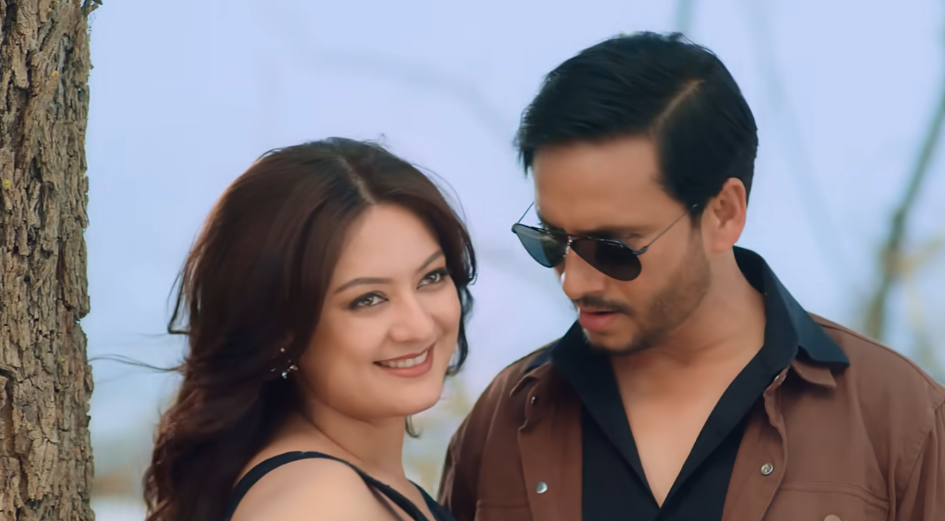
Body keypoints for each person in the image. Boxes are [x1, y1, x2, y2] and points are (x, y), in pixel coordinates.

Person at [439, 32, 945, 521]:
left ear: (724, 214)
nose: (574, 282)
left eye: (611, 249)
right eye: (551, 241)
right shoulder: (503, 421)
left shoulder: (899, 421)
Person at [142, 138, 475, 521]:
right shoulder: (317, 504)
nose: (418, 326)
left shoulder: (352, 481)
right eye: (368, 299)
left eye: (431, 277)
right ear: (280, 328)